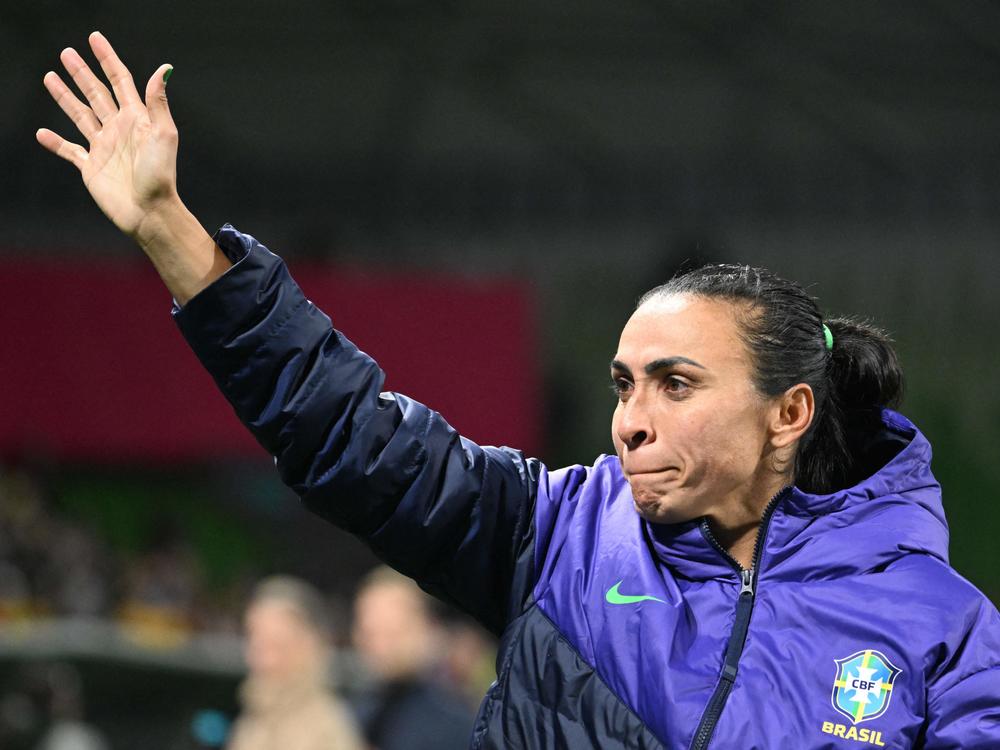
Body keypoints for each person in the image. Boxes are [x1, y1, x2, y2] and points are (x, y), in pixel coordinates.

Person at [37, 33, 1000, 749]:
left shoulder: (943, 627)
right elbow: (352, 436)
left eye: (676, 384)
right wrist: (170, 232)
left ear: (788, 412)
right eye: (625, 384)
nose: (631, 420)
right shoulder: (563, 535)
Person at [226, 576, 363, 750]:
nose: (259, 660)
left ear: (308, 647)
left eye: (276, 646)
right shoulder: (253, 720)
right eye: (255, 643)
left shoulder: (325, 726)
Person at [351, 566, 475, 750]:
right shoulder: (354, 713)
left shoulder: (454, 724)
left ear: (427, 628)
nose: (380, 645)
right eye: (370, 632)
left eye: (394, 631)